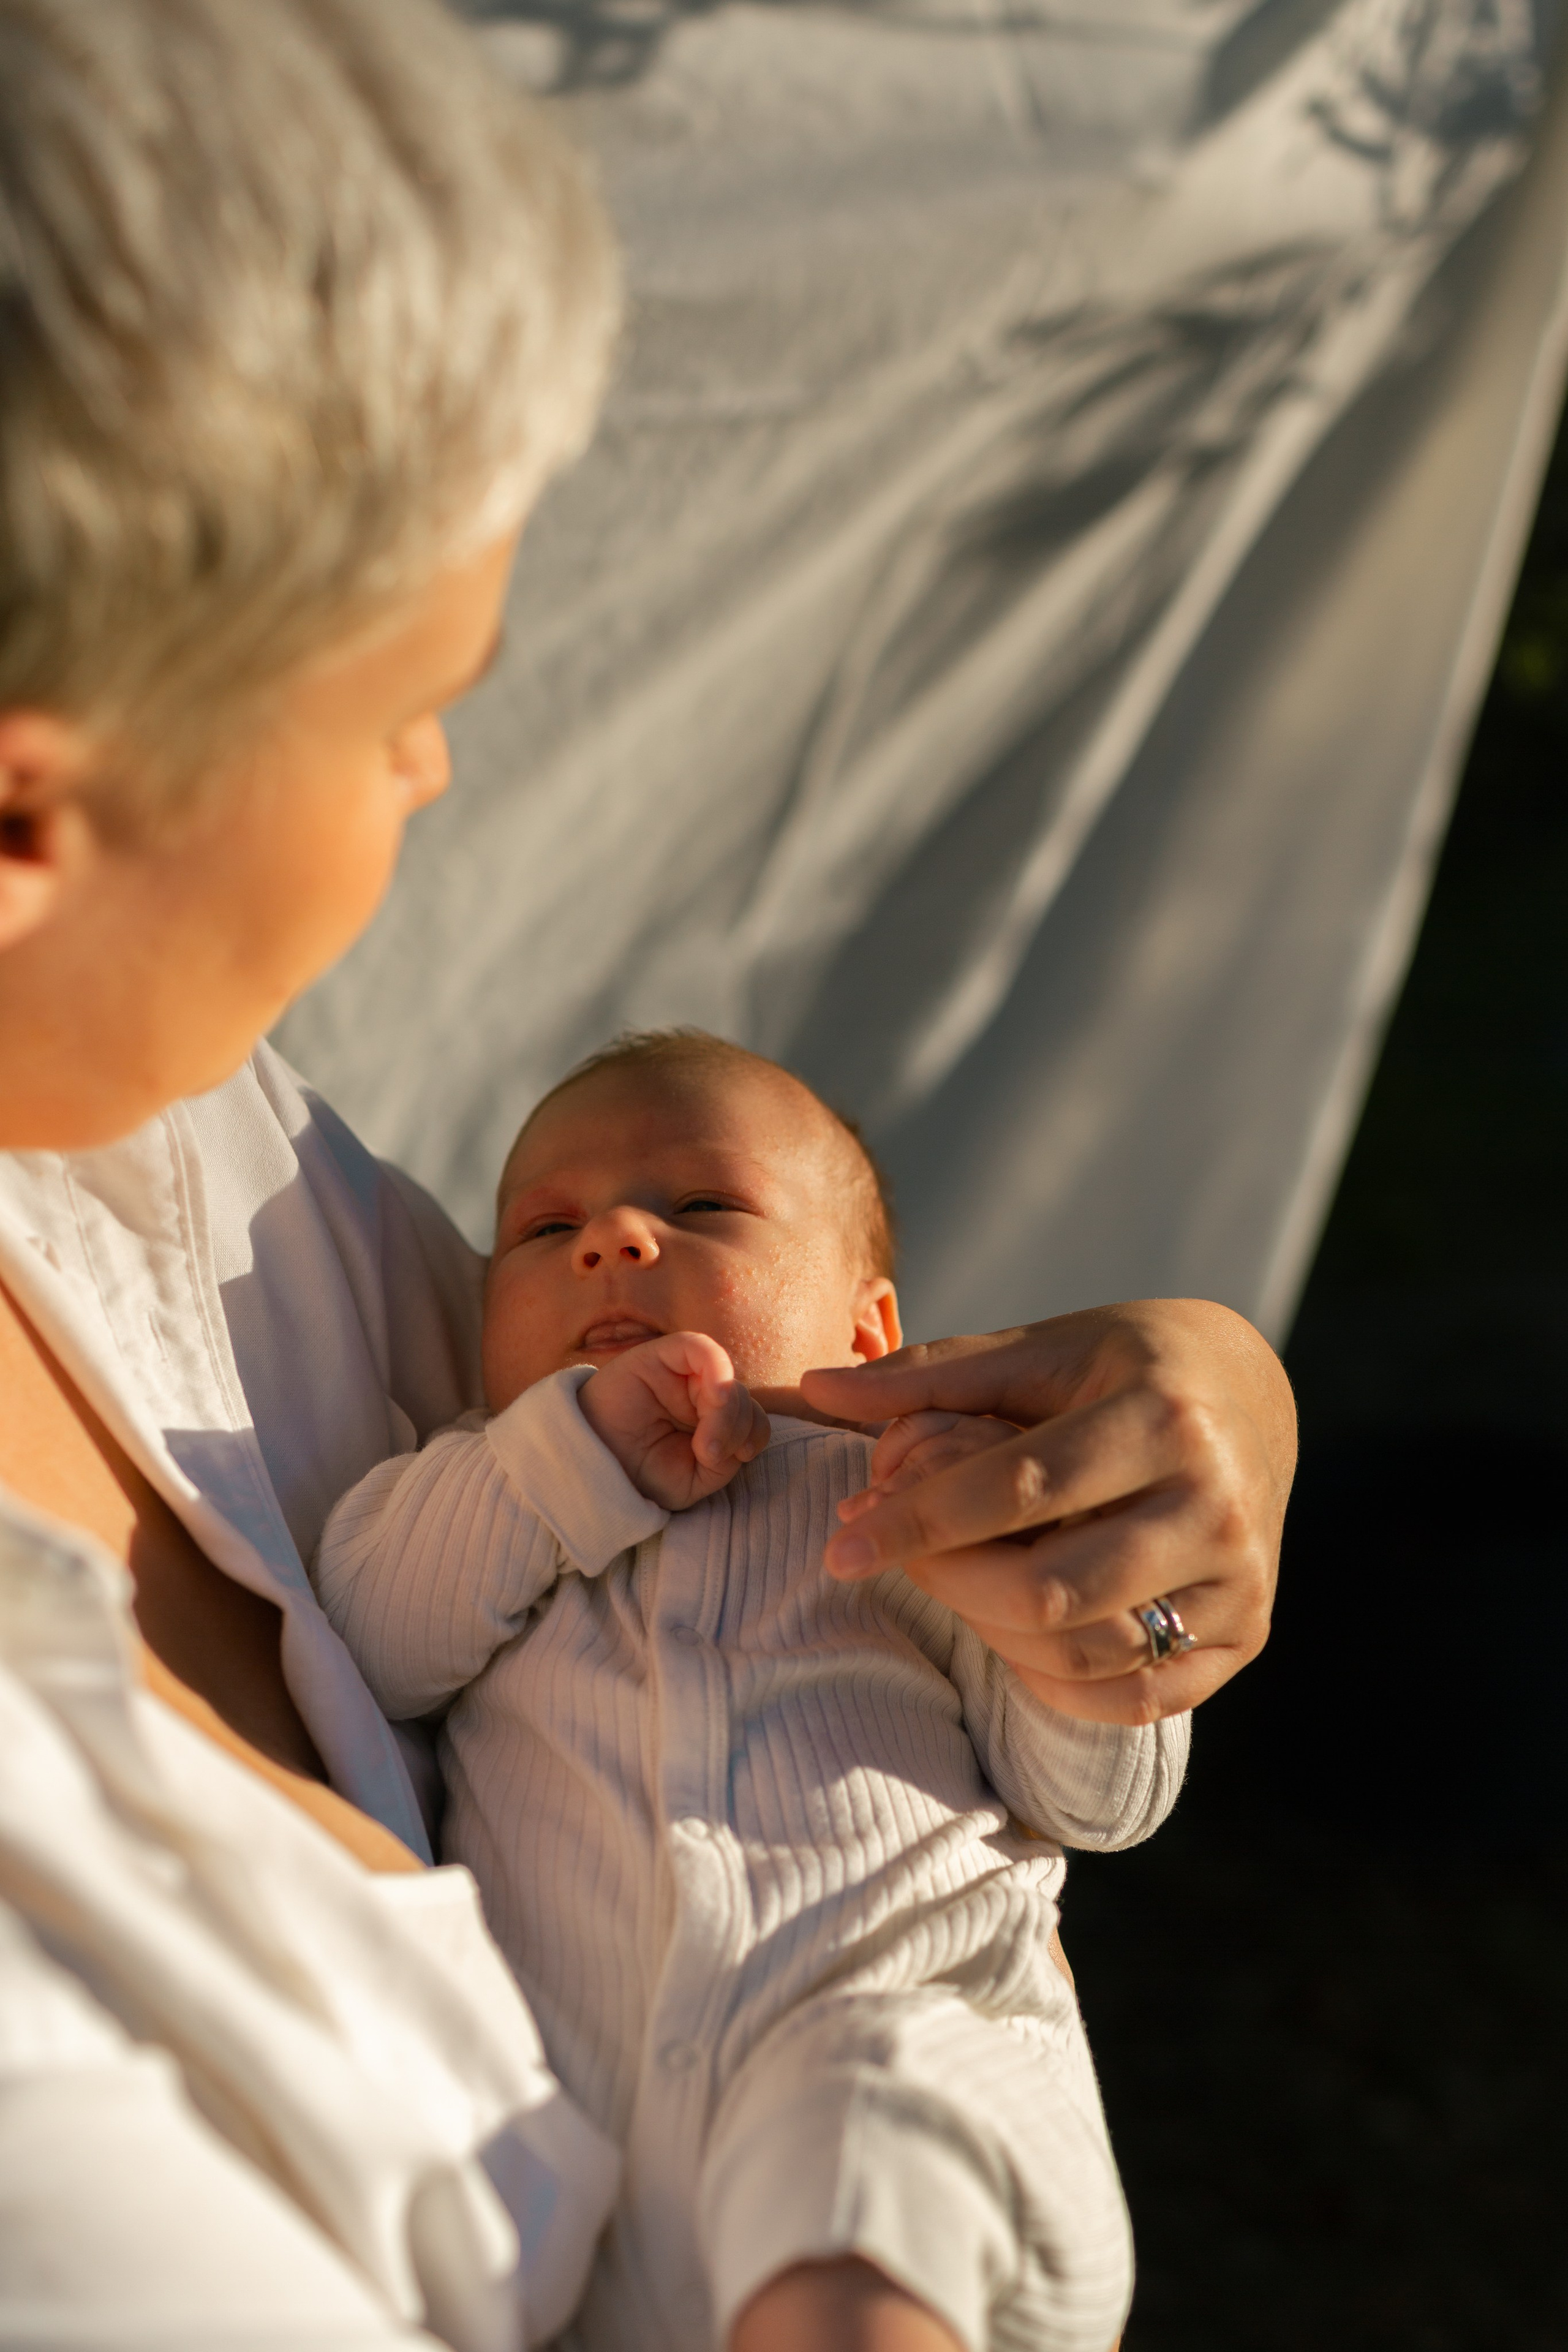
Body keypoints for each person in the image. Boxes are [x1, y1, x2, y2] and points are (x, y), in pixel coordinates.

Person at [0, 2, 1295, 2347]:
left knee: (882, 2140)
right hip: (643, 2164)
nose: (428, 785)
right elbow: (413, 1566)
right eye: (405, 712)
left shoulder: (180, 1159)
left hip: (863, 2057)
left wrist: (1185, 1450)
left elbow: (1084, 1759)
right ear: (29, 817)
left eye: (690, 1215)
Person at [314, 1029, 1190, 2352]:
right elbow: (371, 1642)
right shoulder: (485, 1487)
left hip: (912, 2084)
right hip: (564, 2169)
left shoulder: (903, 1492)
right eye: (544, 1230)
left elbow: (1094, 1797)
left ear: (870, 1332)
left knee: (860, 2104)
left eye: (701, 1205)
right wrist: (568, 1454)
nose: (612, 1238)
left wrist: (1064, 1595)